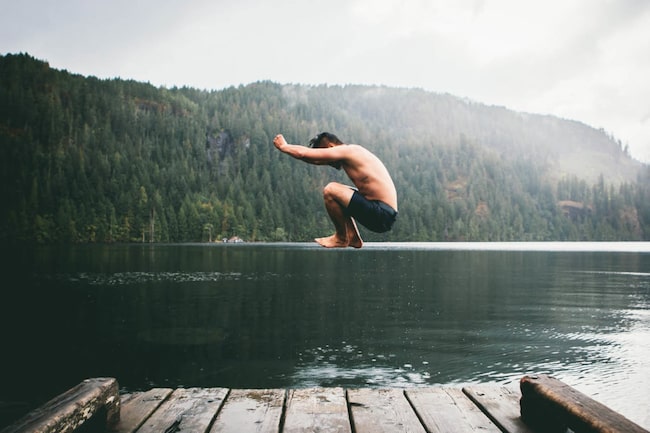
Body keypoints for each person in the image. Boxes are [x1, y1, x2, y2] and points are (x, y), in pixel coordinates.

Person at [273, 132, 398, 248]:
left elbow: (303, 153)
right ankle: (353, 237)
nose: (328, 162)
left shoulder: (348, 151)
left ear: (330, 146)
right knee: (341, 194)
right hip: (383, 212)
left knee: (331, 190)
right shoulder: (351, 154)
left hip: (382, 213)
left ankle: (342, 238)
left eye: (325, 154)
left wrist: (284, 146)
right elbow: (313, 159)